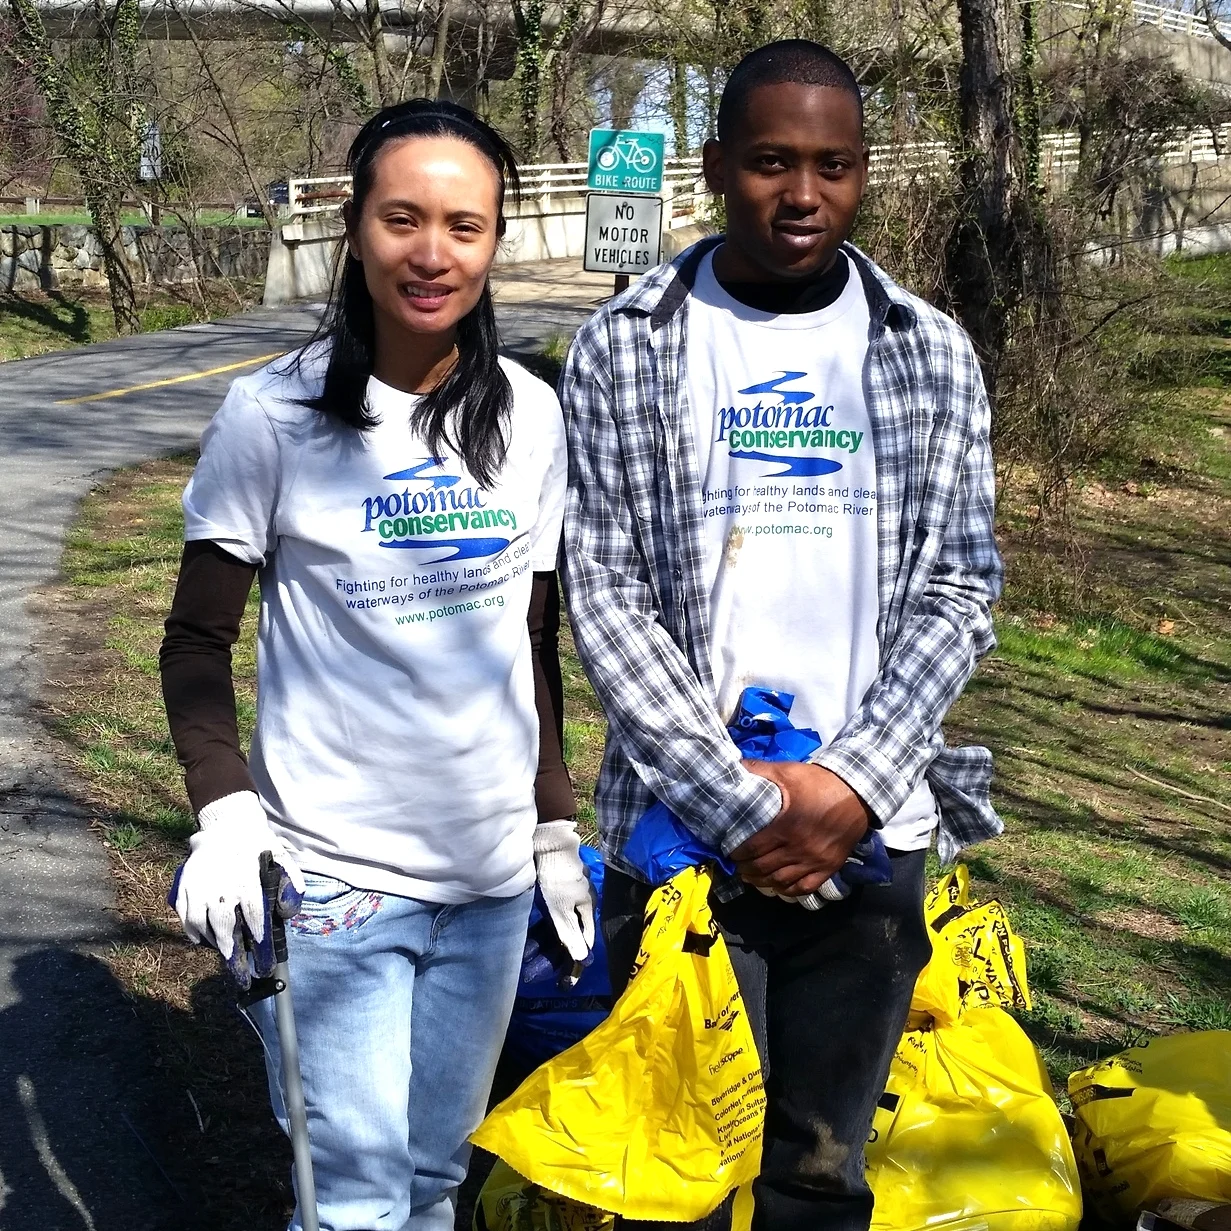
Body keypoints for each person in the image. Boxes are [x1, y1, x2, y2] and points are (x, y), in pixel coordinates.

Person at [559, 40, 1004, 1231]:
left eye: (831, 165)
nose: (800, 194)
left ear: (862, 175)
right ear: (715, 167)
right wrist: (743, 806)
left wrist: (848, 786)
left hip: (869, 840)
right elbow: (603, 588)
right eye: (767, 162)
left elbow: (959, 586)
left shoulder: (928, 352)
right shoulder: (629, 342)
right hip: (684, 843)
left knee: (820, 1170)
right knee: (673, 1178)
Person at [159, 98, 595, 1231]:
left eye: (464, 224)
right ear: (356, 229)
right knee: (353, 1202)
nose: (432, 252)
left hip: (491, 882)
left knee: (436, 1181)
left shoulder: (533, 420)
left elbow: (529, 638)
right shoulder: (274, 416)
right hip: (335, 880)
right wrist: (225, 808)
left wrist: (553, 822)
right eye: (403, 219)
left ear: (498, 240)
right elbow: (195, 640)